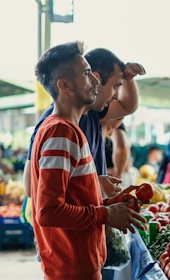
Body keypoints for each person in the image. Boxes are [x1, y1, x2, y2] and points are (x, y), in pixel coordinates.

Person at [24, 47, 145, 280]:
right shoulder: (60, 133)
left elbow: (68, 199)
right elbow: (48, 211)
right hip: (75, 273)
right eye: (86, 73)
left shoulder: (69, 130)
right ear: (64, 85)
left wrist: (107, 203)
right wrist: (105, 214)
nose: (94, 79)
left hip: (70, 270)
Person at [24, 47, 145, 199]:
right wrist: (96, 185)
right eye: (115, 86)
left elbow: (128, 106)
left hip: (88, 217)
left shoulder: (91, 113)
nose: (94, 80)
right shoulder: (57, 128)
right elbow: (33, 188)